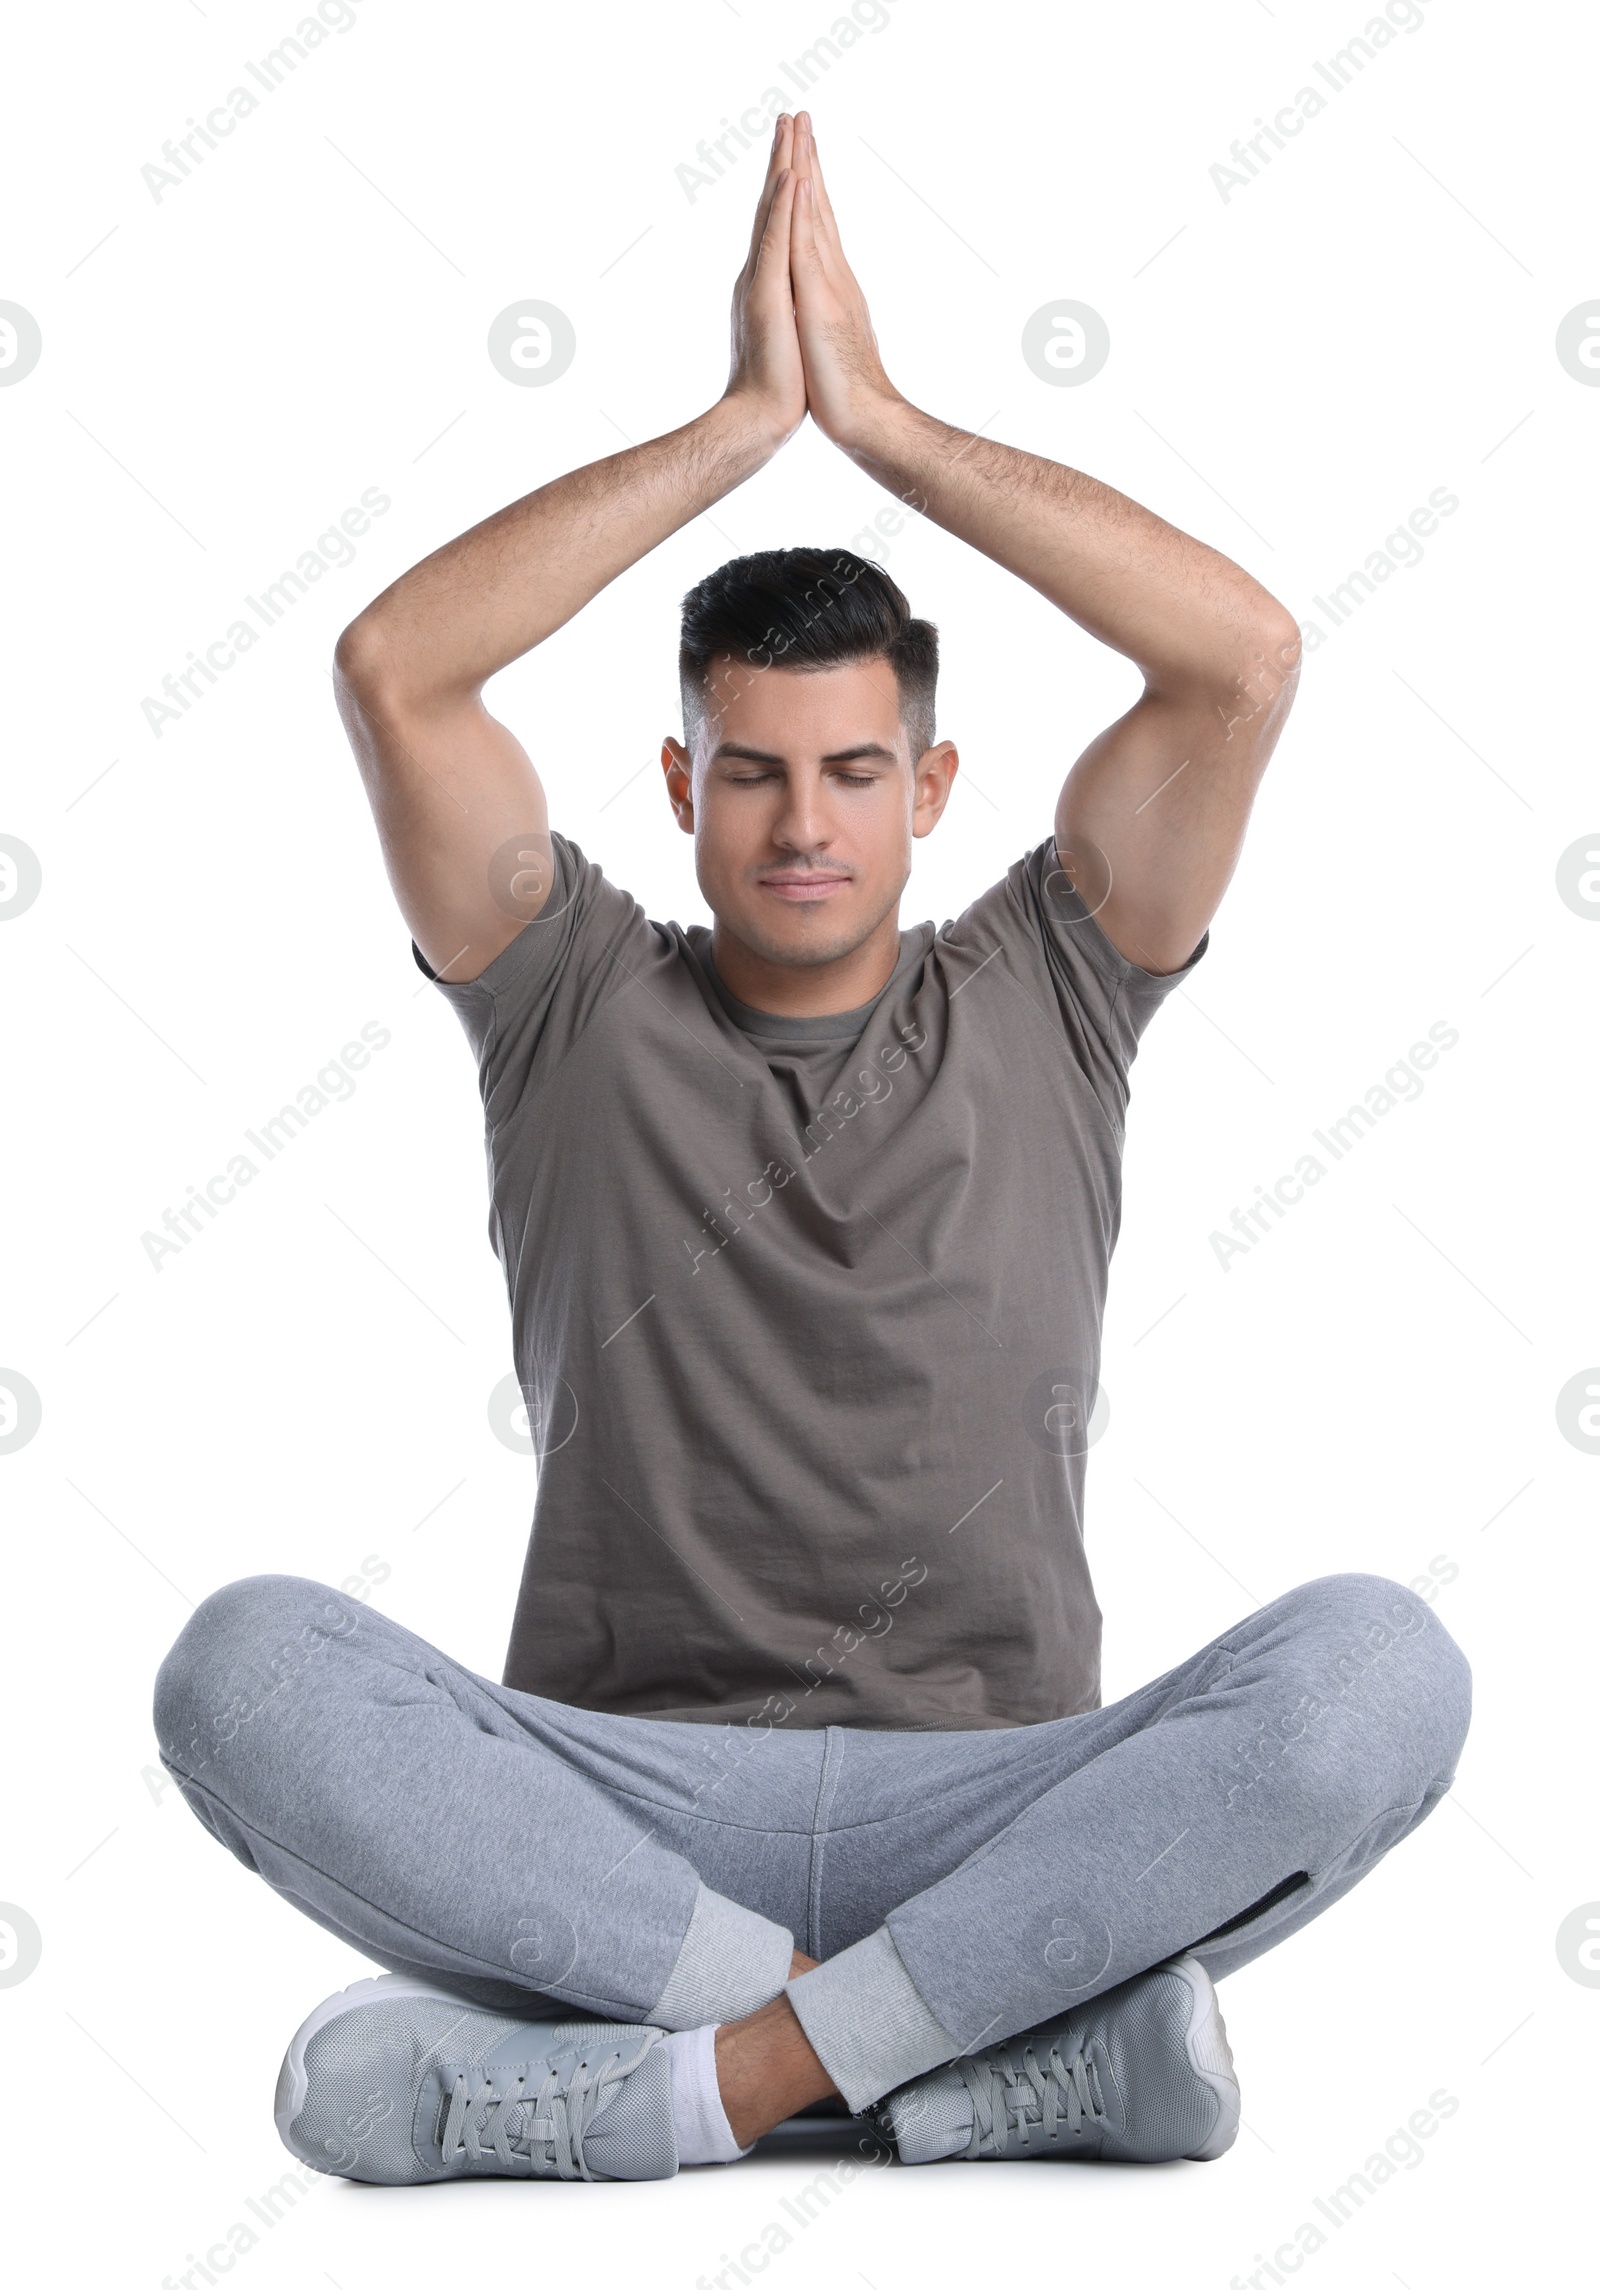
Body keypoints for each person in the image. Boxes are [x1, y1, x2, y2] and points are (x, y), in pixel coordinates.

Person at [152, 111, 1470, 2185]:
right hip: (618, 1813)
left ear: (931, 780)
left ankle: (704, 2086)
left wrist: (887, 422)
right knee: (236, 1666)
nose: (800, 822)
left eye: (853, 768)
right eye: (749, 772)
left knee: (1380, 1672)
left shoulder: (1053, 973)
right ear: (675, 779)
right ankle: (976, 2057)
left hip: (1009, 1802)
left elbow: (1241, 655)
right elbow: (393, 670)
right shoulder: (566, 990)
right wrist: (741, 422)